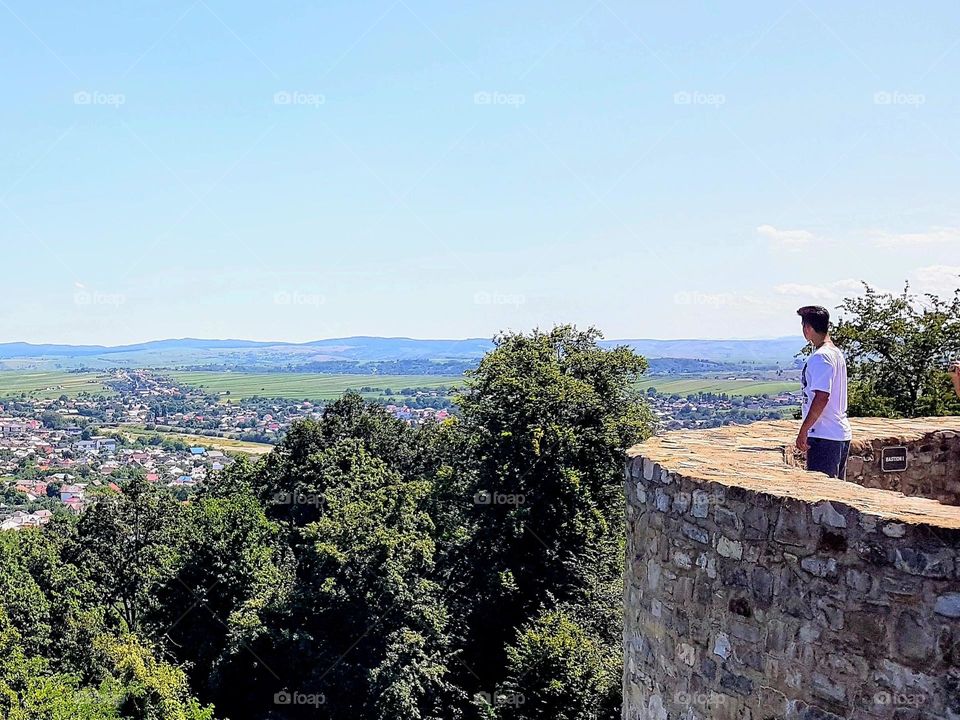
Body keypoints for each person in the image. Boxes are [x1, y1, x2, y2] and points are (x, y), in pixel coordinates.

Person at [795, 306, 852, 479]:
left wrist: (804, 430)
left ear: (808, 328)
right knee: (835, 497)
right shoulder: (835, 353)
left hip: (824, 436)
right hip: (837, 434)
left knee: (823, 500)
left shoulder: (821, 357)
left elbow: (822, 396)